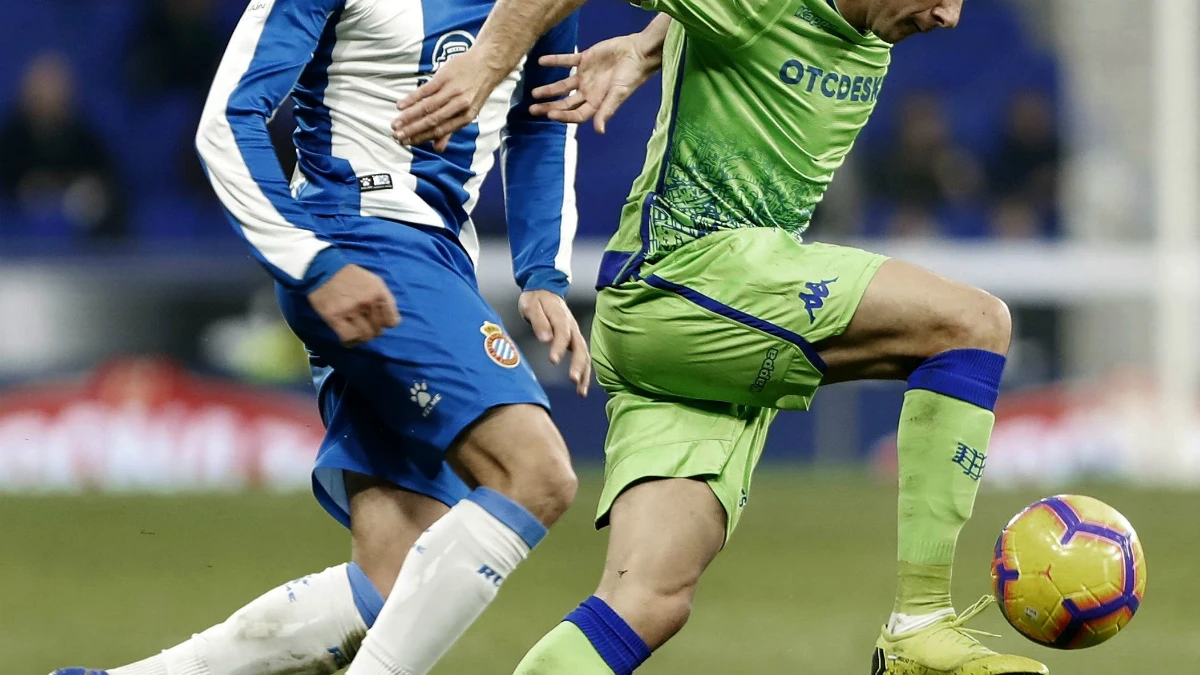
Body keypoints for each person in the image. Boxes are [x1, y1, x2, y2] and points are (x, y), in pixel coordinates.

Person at [392, 1, 1050, 674]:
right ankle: (921, 624)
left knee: (647, 599)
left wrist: (648, 49)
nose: (949, 16)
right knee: (972, 325)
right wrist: (487, 63)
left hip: (700, 325)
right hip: (685, 280)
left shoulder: (858, 25)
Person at [52, 0, 585, 674]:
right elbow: (227, 119)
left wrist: (542, 269)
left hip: (434, 260)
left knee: (389, 588)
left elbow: (540, 119)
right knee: (534, 472)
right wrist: (313, 259)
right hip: (363, 244)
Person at [0, 52, 125, 241]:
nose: (49, 100)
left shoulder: (85, 138)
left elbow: (105, 182)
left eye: (56, 91)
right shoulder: (10, 139)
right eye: (42, 91)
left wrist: (72, 189)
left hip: (80, 244)